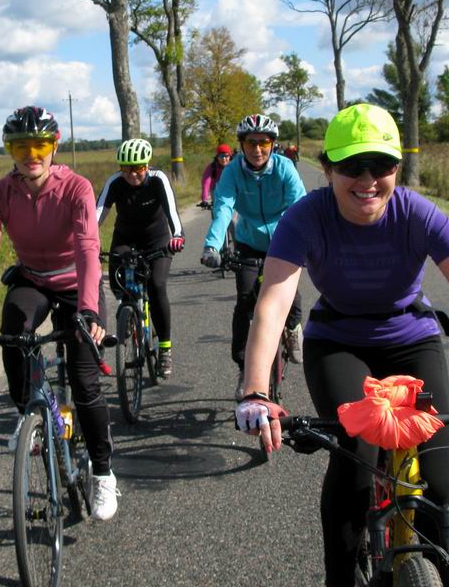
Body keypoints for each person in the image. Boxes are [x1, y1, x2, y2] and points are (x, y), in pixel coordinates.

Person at [234, 104, 449, 587]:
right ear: (327, 169)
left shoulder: (417, 213)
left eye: (380, 166)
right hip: (338, 340)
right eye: (351, 167)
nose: (367, 180)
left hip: (411, 338)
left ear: (397, 169)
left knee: (440, 478)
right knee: (357, 449)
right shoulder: (307, 216)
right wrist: (257, 390)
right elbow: (273, 304)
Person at [0, 106, 119, 521]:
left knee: (85, 381)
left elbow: (88, 248)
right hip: (33, 279)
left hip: (75, 284)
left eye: (39, 146)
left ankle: (103, 473)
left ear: (54, 147)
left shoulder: (77, 187)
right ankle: (28, 412)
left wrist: (88, 310)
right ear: (10, 150)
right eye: (20, 146)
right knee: (13, 329)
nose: (31, 155)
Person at [200, 114, 307, 400]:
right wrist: (212, 246)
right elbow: (223, 206)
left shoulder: (284, 168)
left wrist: (305, 240)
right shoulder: (234, 171)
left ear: (273, 144)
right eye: (251, 143)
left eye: (264, 143)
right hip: (248, 241)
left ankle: (294, 327)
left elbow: (300, 205)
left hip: (284, 240)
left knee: (290, 294)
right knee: (245, 300)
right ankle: (244, 367)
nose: (257, 149)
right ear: (242, 145)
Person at [96, 137, 184, 379]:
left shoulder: (158, 179)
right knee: (117, 282)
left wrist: (177, 235)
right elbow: (97, 213)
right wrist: (88, 242)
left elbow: (172, 212)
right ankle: (129, 317)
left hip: (157, 239)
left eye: (138, 168)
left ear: (147, 165)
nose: (132, 174)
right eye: (126, 169)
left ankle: (164, 348)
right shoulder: (115, 182)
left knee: (156, 285)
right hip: (125, 237)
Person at [199, 143, 232, 207]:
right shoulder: (212, 167)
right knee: (217, 209)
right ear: (217, 157)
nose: (224, 159)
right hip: (216, 191)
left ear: (230, 156)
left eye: (226, 156)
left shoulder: (234, 167)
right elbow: (206, 183)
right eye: (221, 156)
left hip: (231, 191)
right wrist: (204, 199)